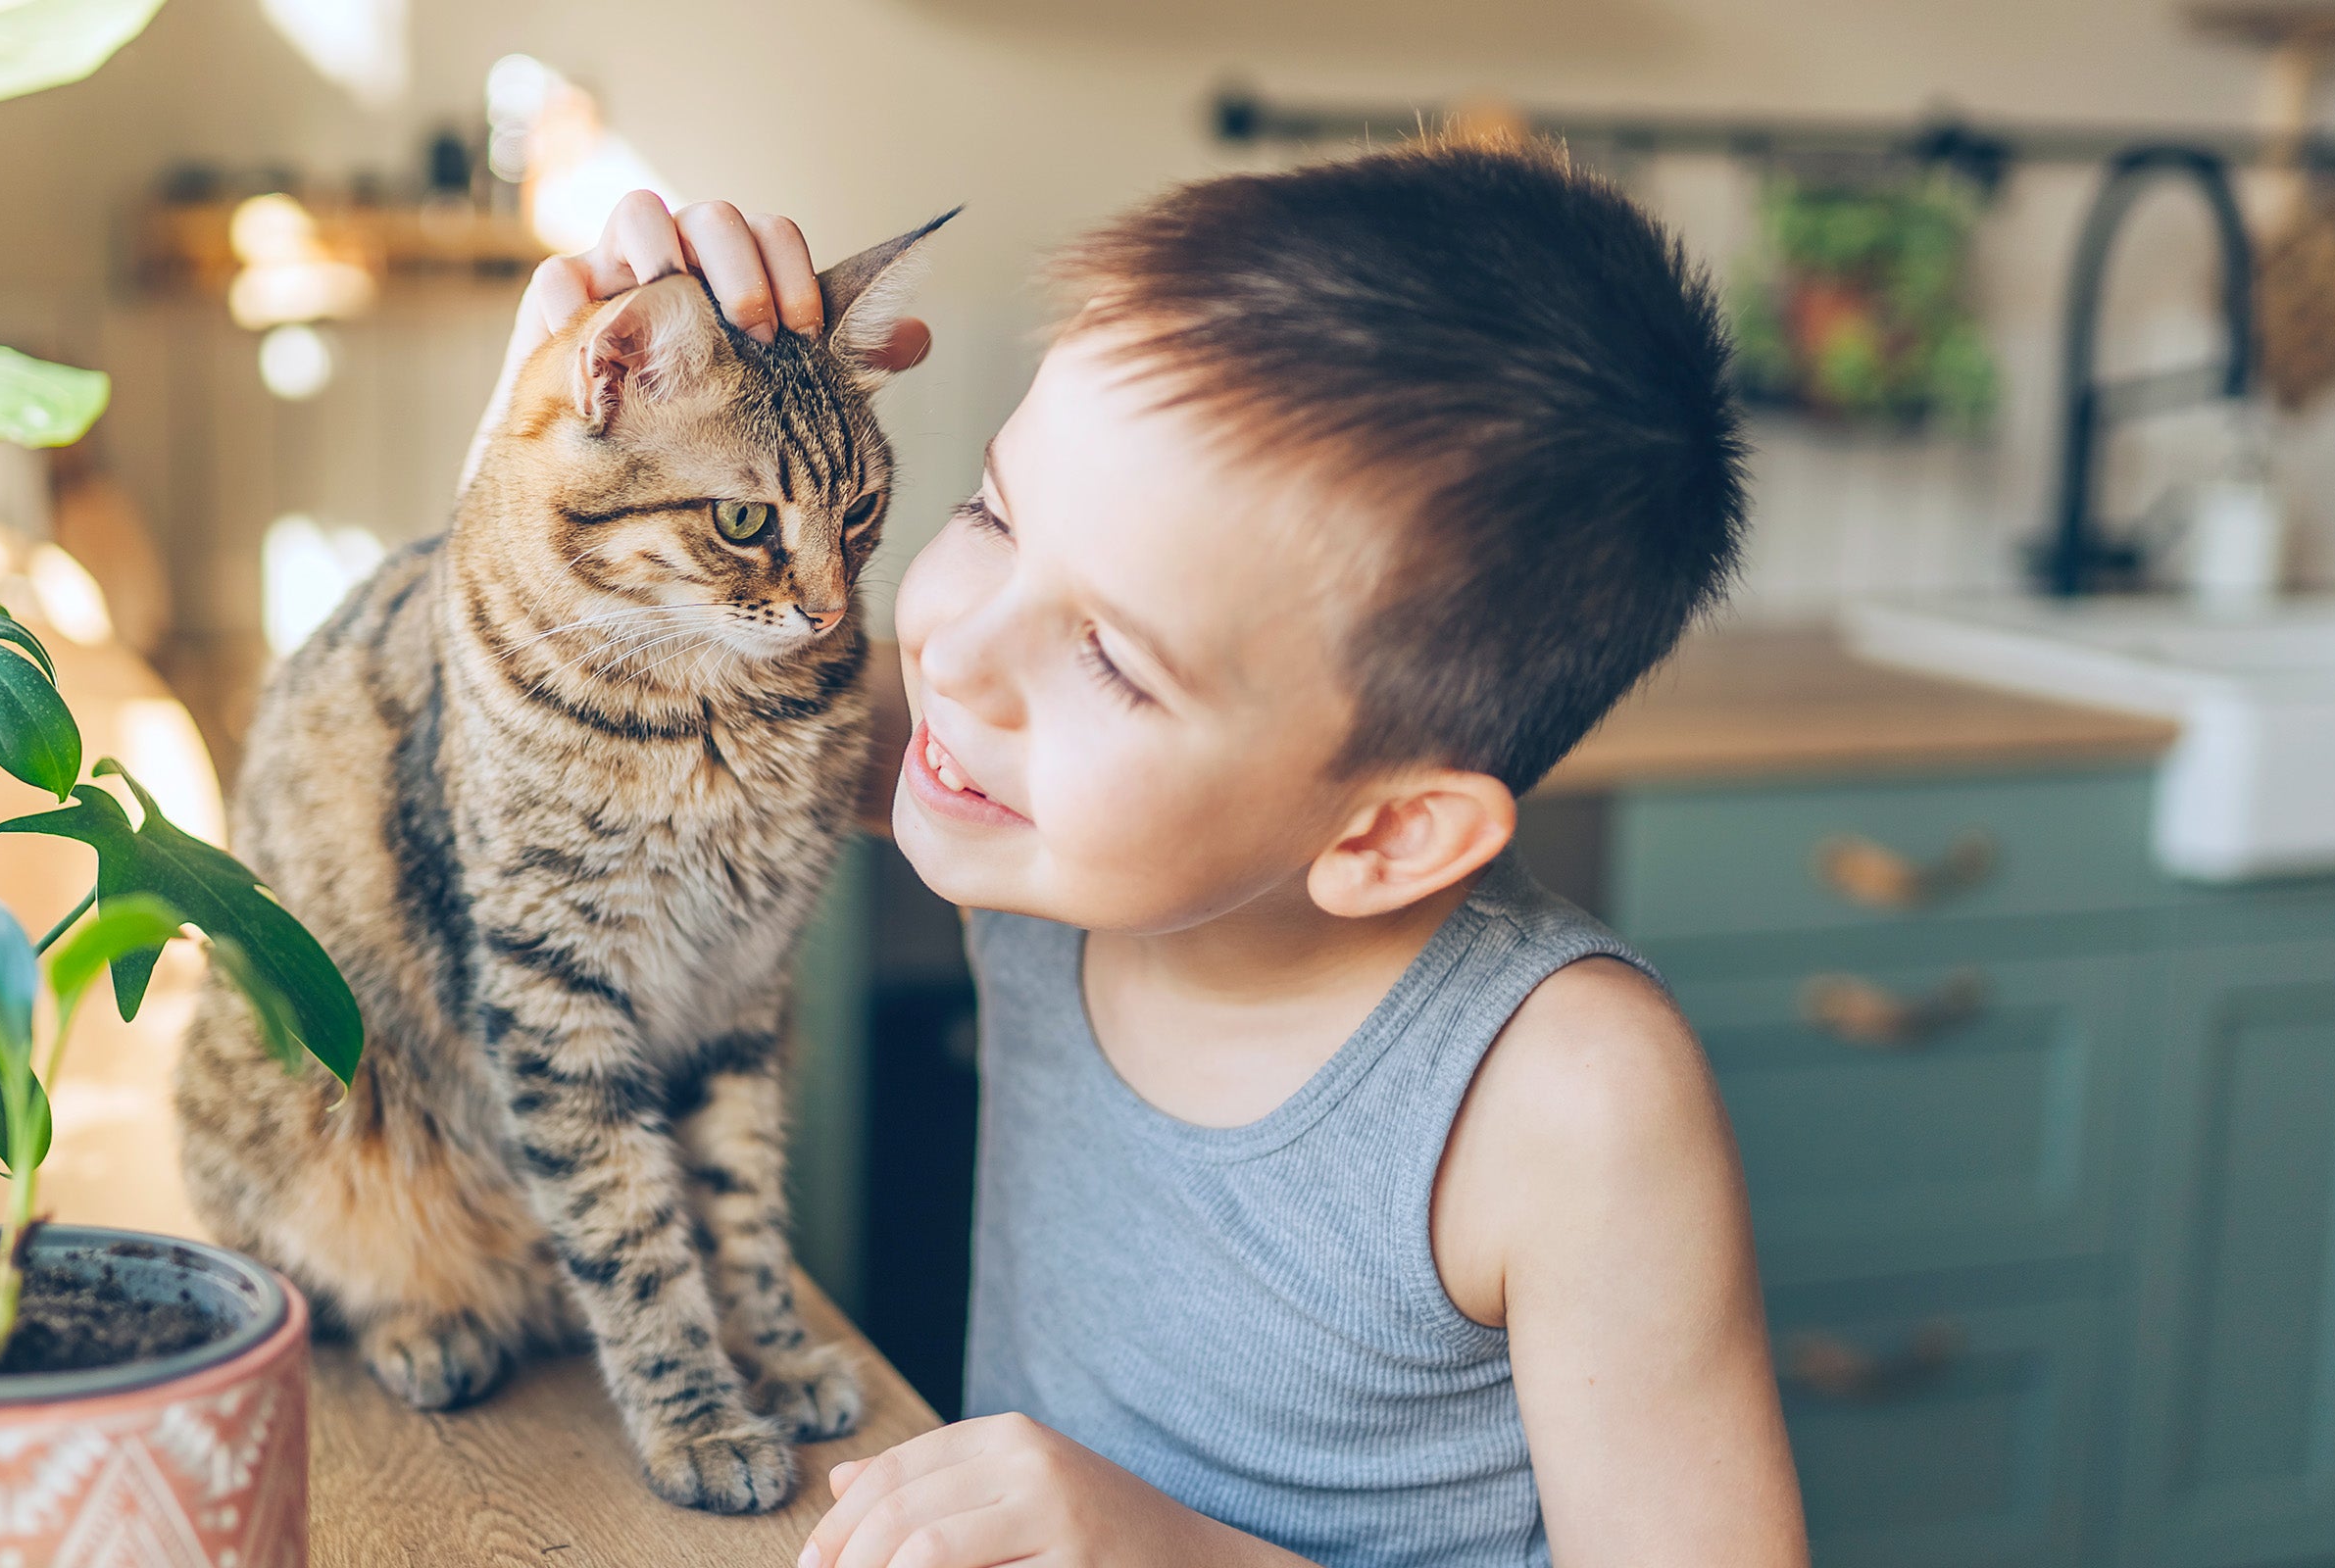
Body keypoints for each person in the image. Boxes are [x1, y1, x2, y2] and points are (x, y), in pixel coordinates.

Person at [474, 137, 1807, 1568]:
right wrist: (557, 429)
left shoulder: (1571, 1096)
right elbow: (582, 696)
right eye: (994, 511)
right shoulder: (1048, 840)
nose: (955, 651)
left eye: (1112, 658)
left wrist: (1179, 1554)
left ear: (1390, 832)